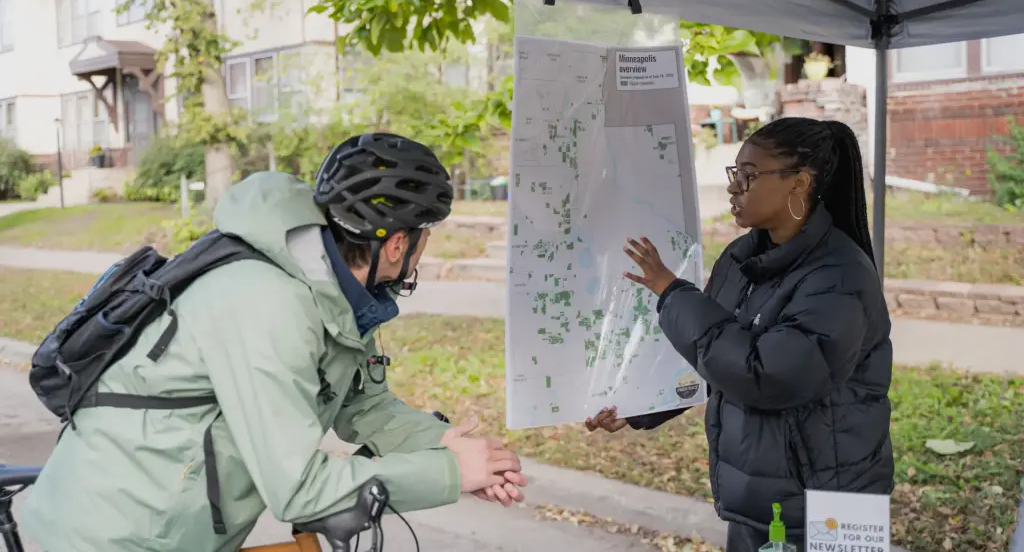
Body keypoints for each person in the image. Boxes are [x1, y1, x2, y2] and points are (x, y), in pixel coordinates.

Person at [22, 132, 527, 551]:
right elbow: (300, 492)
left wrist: (444, 445)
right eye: (425, 235)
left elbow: (363, 405)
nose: (423, 248)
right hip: (111, 535)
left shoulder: (339, 292)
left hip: (173, 530)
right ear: (397, 244)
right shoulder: (267, 303)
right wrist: (447, 474)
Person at [585, 118, 894, 552]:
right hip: (760, 500)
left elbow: (767, 374)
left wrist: (671, 293)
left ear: (799, 183)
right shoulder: (740, 259)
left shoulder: (840, 276)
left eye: (748, 176)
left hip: (830, 505)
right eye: (735, 174)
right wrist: (641, 408)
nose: (734, 188)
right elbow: (711, 359)